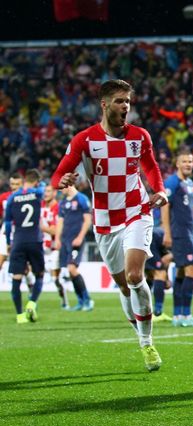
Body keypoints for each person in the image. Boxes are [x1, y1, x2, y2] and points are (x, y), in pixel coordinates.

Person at [51, 79, 168, 372]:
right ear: (104, 105)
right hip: (105, 220)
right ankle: (141, 335)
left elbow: (151, 167)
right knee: (123, 286)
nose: (125, 107)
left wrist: (159, 190)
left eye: (128, 101)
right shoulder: (84, 140)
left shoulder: (140, 136)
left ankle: (147, 342)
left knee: (133, 275)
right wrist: (62, 181)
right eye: (119, 101)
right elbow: (58, 175)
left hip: (137, 211)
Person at [161, 150, 193, 327]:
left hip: (189, 232)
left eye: (190, 161)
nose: (188, 164)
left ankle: (178, 316)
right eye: (184, 161)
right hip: (179, 232)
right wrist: (167, 232)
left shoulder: (189, 183)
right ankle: (186, 315)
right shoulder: (172, 183)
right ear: (177, 164)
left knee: (182, 272)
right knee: (191, 272)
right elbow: (164, 207)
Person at [4, 169, 45, 323]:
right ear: (36, 181)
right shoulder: (37, 193)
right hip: (35, 239)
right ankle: (32, 303)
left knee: (16, 277)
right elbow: (45, 189)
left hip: (19, 241)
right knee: (39, 274)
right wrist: (39, 184)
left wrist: (9, 241)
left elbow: (7, 223)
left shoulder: (13, 197)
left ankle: (20, 316)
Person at [54, 184, 94, 311]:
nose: (60, 190)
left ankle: (88, 300)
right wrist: (57, 239)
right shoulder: (63, 202)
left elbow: (88, 220)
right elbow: (60, 221)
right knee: (69, 271)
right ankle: (81, 301)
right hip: (65, 240)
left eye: (62, 187)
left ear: (69, 185)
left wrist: (80, 237)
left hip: (76, 240)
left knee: (72, 269)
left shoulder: (81, 199)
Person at [40, 183, 69, 309]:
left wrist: (40, 228)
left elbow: (56, 230)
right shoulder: (39, 206)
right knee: (33, 273)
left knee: (55, 279)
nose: (46, 193)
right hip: (40, 247)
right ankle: (32, 302)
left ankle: (64, 301)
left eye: (48, 191)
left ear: (54, 193)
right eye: (45, 191)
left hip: (53, 248)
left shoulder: (58, 208)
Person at [145, 226, 173, 322]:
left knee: (149, 275)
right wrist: (166, 279)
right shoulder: (181, 246)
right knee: (159, 274)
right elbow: (166, 259)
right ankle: (158, 312)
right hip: (153, 240)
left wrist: (167, 278)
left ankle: (143, 312)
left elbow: (165, 261)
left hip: (144, 237)